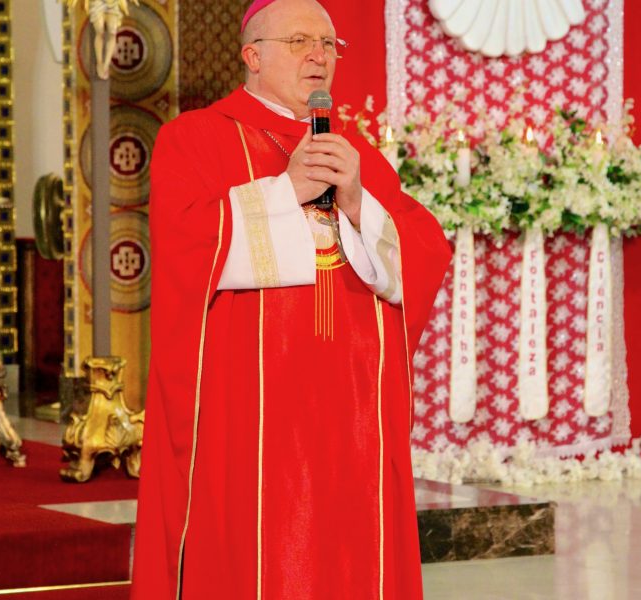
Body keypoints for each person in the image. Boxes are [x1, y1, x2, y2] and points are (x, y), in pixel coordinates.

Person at [131, 0, 450, 597]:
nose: (319, 56)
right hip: (251, 412)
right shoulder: (194, 138)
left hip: (352, 414)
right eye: (300, 41)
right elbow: (184, 245)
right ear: (252, 56)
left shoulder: (354, 154)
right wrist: (287, 191)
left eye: (329, 44)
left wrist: (357, 202)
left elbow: (425, 251)